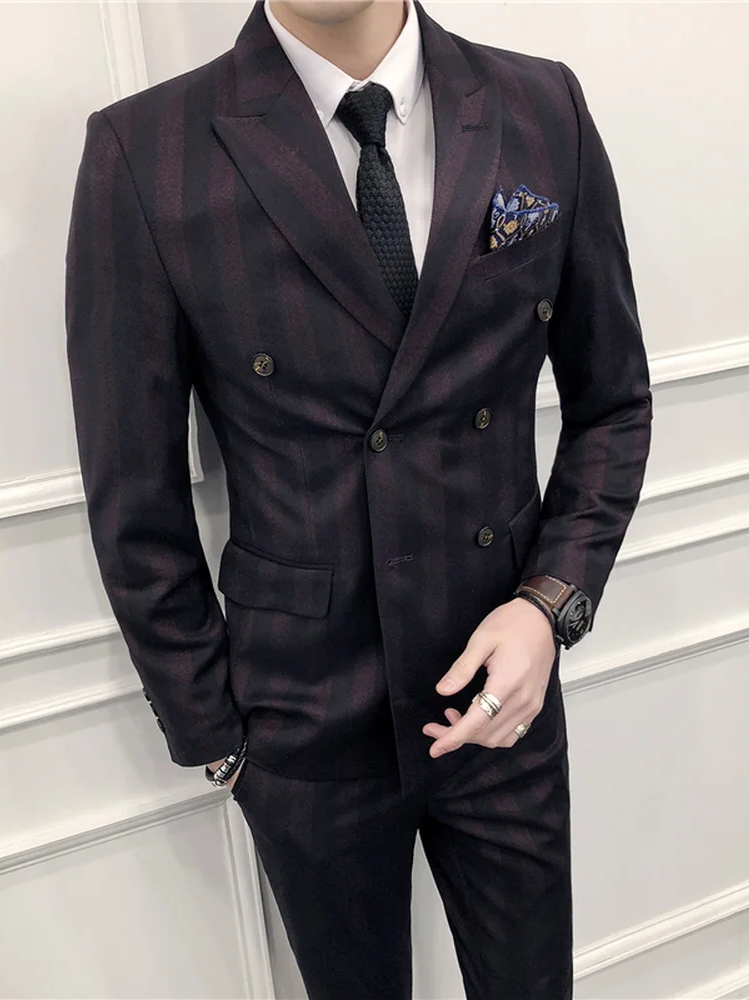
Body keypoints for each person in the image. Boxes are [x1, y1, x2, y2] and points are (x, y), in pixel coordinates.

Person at [64, 0, 652, 996]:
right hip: (300, 723)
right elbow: (134, 495)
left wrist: (548, 606)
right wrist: (221, 741)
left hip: (500, 689)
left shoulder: (540, 104)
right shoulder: (148, 151)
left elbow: (613, 403)